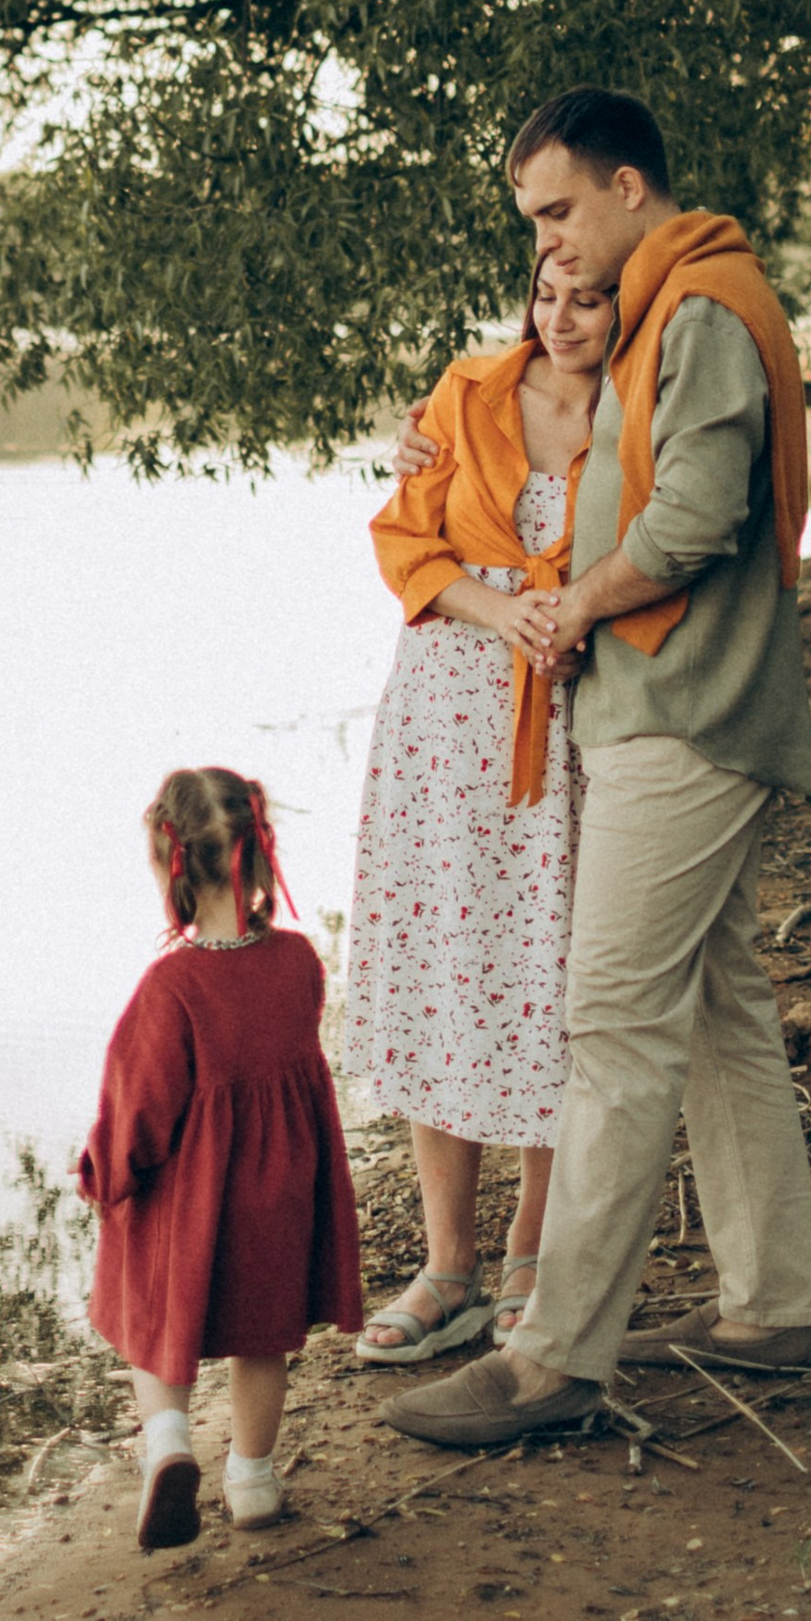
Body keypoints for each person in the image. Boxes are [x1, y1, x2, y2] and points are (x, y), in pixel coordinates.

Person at [379, 87, 811, 1451]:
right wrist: (430, 436)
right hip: (676, 705)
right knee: (716, 1011)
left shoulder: (700, 313)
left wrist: (572, 611)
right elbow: (564, 447)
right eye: (535, 226)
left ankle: (554, 1354)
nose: (554, 249)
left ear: (633, 187)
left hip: (683, 711)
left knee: (613, 1023)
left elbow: (693, 518)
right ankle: (775, 1304)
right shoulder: (667, 313)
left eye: (561, 211)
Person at [345, 254, 614, 1365]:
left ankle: (532, 1253)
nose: (561, 317)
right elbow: (405, 542)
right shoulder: (465, 396)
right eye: (547, 294)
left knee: (553, 974)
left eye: (588, 296)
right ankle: (446, 1264)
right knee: (439, 965)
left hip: (575, 721)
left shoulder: (645, 408)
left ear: (624, 305)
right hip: (446, 718)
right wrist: (497, 614)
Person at [78, 764, 364, 1547]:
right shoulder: (300, 963)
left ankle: (168, 1443)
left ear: (171, 868)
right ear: (260, 852)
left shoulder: (172, 988)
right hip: (281, 1197)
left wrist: (106, 1176)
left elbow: (139, 1112)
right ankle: (253, 1480)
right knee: (262, 1339)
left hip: (195, 1207)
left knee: (148, 1304)